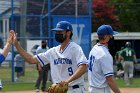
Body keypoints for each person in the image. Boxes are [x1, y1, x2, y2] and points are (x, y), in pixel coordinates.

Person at [12, 21, 88, 93]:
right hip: (58, 90)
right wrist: (16, 45)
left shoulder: (75, 48)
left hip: (74, 89)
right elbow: (31, 60)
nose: (57, 34)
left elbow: (83, 67)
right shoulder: (53, 51)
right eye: (56, 32)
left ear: (68, 33)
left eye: (60, 32)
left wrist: (66, 81)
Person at [88, 25, 121, 93]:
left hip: (92, 88)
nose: (112, 37)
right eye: (111, 35)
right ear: (106, 36)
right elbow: (110, 80)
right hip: (101, 90)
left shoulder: (94, 49)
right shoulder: (105, 55)